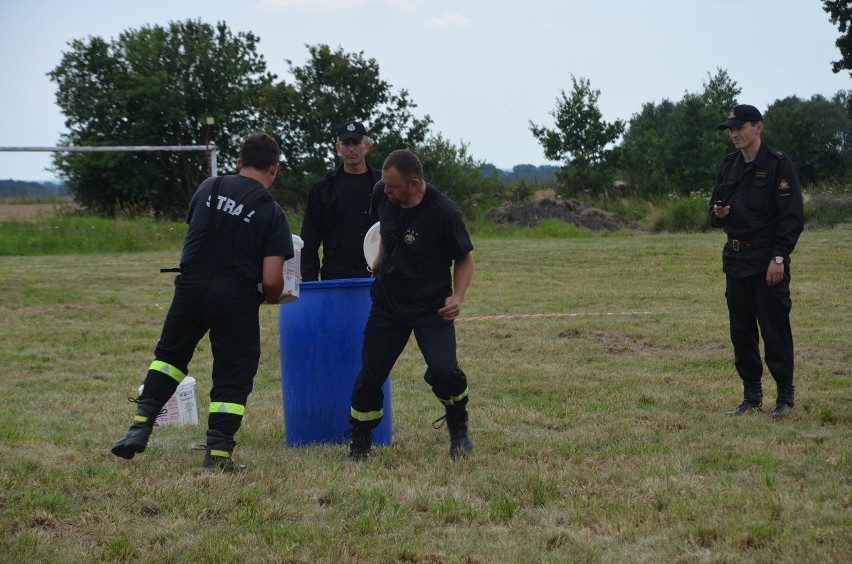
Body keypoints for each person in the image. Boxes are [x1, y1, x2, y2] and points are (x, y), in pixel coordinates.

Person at [111, 132, 294, 471]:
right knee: (232, 373)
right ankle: (219, 454)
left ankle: (139, 426)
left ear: (239, 163)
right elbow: (271, 279)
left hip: (190, 287)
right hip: (235, 297)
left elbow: (201, 233)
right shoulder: (271, 211)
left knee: (169, 358)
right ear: (275, 168)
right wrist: (273, 297)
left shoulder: (207, 188)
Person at [347, 149, 475, 461]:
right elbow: (387, 233)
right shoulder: (382, 194)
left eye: (392, 186)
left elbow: (465, 258)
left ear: (414, 183)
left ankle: (458, 426)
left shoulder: (445, 213)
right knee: (371, 374)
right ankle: (360, 442)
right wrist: (379, 260)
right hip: (389, 304)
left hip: (431, 307)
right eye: (384, 185)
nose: (385, 191)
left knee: (445, 372)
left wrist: (457, 298)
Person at [710, 104, 804, 419]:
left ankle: (785, 398)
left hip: (767, 260)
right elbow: (714, 213)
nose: (735, 134)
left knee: (774, 329)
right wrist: (719, 214)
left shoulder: (779, 165)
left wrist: (779, 256)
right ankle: (751, 396)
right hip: (736, 259)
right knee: (741, 331)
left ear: (758, 127)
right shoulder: (729, 166)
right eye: (731, 129)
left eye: (740, 127)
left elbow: (792, 218)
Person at [300, 121, 382, 281]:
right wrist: (309, 279)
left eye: (356, 143)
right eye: (346, 143)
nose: (351, 149)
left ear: (366, 146)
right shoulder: (323, 187)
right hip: (335, 275)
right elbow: (310, 236)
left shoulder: (384, 185)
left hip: (377, 274)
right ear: (338, 148)